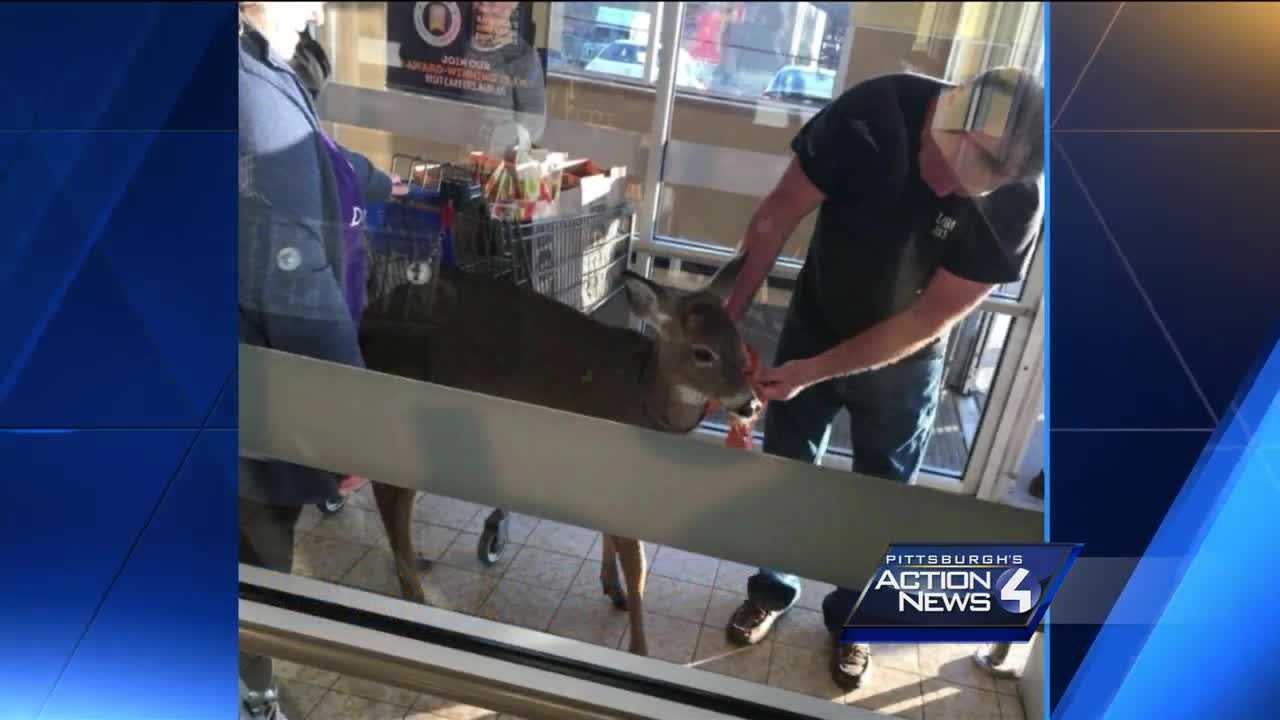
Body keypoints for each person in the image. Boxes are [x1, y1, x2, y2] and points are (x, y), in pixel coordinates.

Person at [720, 66, 1044, 690]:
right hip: (817, 312)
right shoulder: (874, 113)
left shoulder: (1015, 203)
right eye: (942, 164)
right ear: (945, 115)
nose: (944, 185)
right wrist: (728, 324)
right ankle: (771, 588)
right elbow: (776, 215)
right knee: (783, 467)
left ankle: (854, 622)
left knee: (882, 495)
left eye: (966, 187)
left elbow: (927, 317)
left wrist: (815, 373)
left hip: (906, 356)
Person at [237, 3, 404, 718]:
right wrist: (349, 420)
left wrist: (380, 180)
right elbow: (291, 273)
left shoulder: (260, 66)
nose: (319, 8)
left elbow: (315, 167)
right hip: (254, 400)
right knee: (259, 555)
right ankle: (252, 693)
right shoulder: (247, 85)